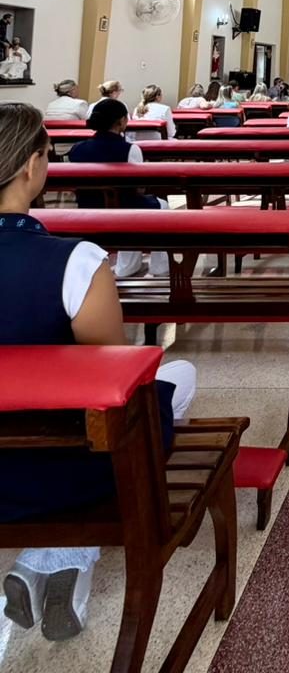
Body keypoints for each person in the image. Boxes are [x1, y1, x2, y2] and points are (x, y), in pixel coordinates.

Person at [0, 103, 195, 640]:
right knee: (178, 378)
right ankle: (58, 554)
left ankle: (46, 562)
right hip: (61, 461)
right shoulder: (75, 261)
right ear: (31, 167)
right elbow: (116, 381)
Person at [70, 100, 169, 279]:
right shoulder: (130, 149)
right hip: (122, 208)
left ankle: (129, 266)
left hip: (87, 207)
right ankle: (158, 267)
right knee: (160, 206)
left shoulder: (77, 149)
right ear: (122, 121)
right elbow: (139, 188)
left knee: (131, 205)